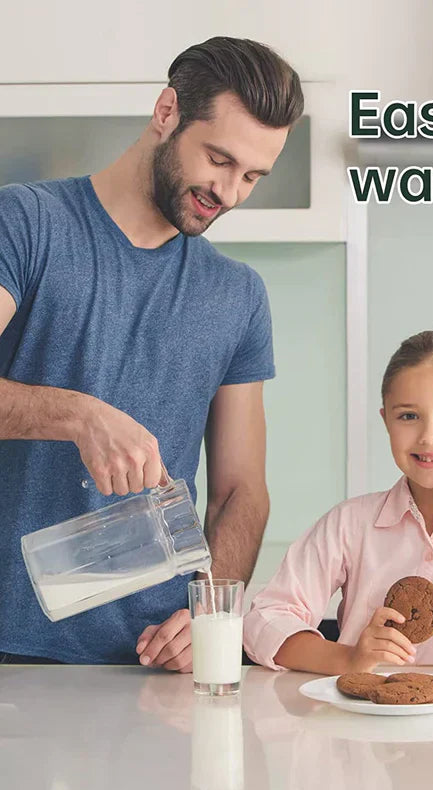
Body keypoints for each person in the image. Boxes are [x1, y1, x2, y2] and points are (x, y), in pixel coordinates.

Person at [0, 37, 303, 668]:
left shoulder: (237, 295)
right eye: (218, 159)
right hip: (11, 650)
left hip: (150, 664)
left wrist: (213, 612)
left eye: (251, 176)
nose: (231, 193)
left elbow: (241, 491)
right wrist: (79, 415)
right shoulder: (27, 223)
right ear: (167, 112)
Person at [244, 329, 433, 677]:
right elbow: (263, 622)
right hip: (363, 725)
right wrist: (346, 659)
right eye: (408, 416)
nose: (430, 436)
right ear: (387, 421)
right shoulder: (350, 524)